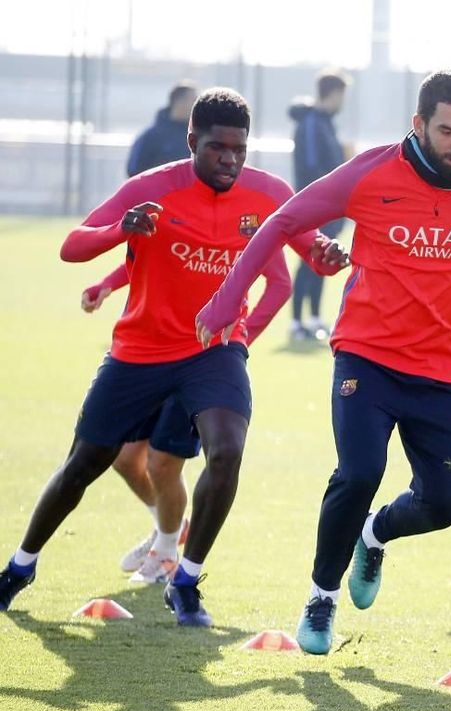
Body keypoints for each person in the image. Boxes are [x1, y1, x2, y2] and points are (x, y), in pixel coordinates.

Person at [196, 70, 451, 655]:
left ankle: (375, 533)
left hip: (442, 373)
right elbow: (285, 219)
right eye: (447, 131)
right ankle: (320, 597)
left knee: (445, 503)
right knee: (359, 473)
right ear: (419, 125)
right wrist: (227, 299)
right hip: (367, 356)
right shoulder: (372, 171)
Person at [0, 87, 342, 625]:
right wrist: (122, 229)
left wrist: (327, 254)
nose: (229, 159)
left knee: (226, 451)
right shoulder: (152, 189)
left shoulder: (269, 192)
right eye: (216, 148)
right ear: (192, 141)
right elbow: (73, 245)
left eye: (239, 149)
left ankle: (185, 581)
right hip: (140, 351)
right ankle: (20, 568)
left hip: (214, 350)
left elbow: (312, 256)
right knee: (84, 465)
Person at [79, 244, 291, 583]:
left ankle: (165, 554)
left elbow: (280, 283)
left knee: (162, 463)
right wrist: (107, 284)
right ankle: (171, 526)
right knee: (124, 458)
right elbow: (152, 256)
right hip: (151, 352)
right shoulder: (179, 196)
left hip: (202, 363)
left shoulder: (250, 207)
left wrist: (241, 337)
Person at [287, 69, 352, 341]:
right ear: (335, 93)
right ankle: (296, 322)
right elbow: (313, 167)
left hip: (329, 208)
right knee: (307, 262)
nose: (343, 101)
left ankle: (313, 319)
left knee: (323, 260)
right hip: (315, 208)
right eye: (342, 95)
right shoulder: (313, 122)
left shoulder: (325, 123)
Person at [126, 82, 198, 177]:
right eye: (193, 100)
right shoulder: (150, 137)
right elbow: (134, 171)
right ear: (179, 102)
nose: (197, 105)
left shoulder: (200, 136)